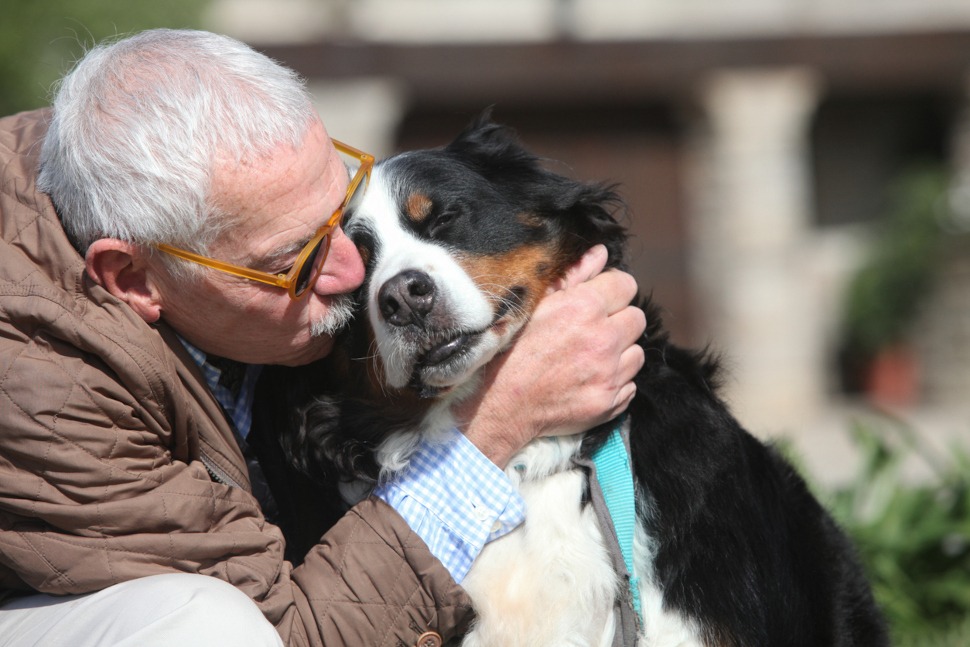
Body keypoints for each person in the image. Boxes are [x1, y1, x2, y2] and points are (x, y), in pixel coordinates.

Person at [0, 29, 645, 646]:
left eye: (340, 217)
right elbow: (291, 634)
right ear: (133, 278)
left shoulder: (120, 161)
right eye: (292, 261)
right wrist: (497, 420)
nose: (354, 273)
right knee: (203, 628)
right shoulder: (37, 384)